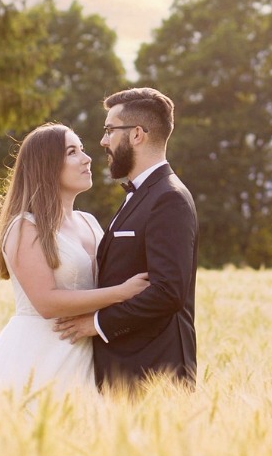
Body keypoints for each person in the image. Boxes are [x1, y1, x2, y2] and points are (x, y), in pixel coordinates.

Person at [0, 123, 150, 416]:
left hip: (88, 352)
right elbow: (46, 302)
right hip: (39, 353)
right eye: (72, 152)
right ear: (47, 165)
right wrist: (121, 293)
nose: (87, 158)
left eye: (82, 149)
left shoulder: (90, 222)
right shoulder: (25, 227)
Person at [54, 87, 199, 389]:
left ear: (136, 135)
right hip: (124, 369)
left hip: (153, 372)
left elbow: (167, 292)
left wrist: (96, 324)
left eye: (109, 130)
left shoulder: (168, 198)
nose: (103, 141)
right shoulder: (142, 194)